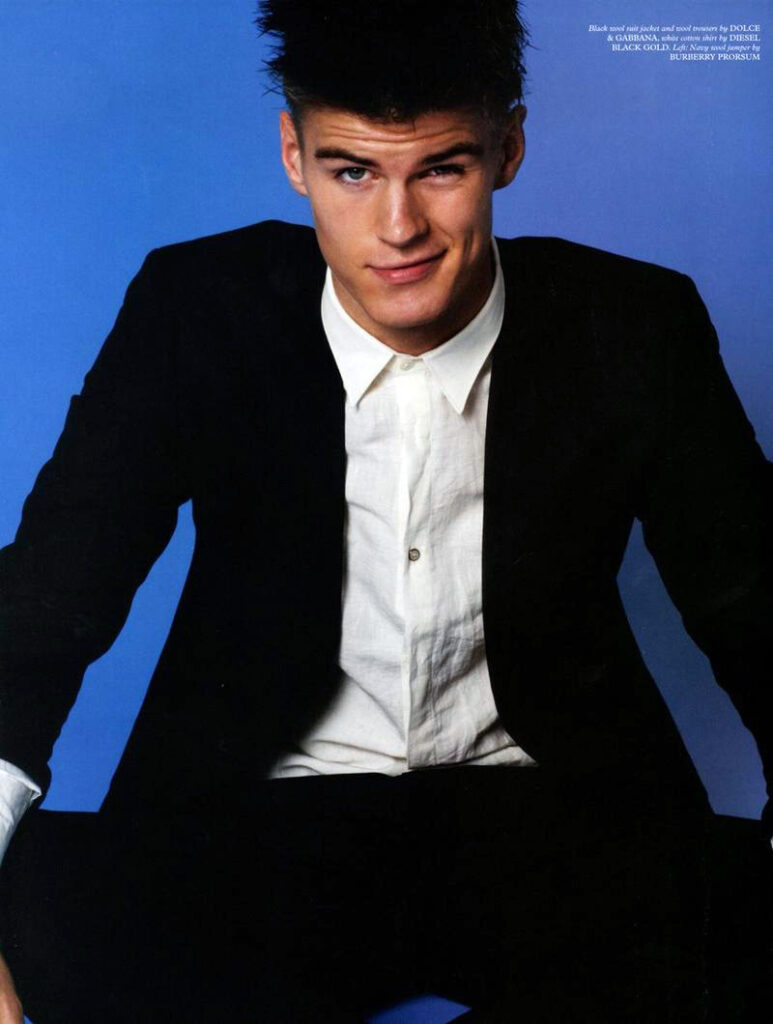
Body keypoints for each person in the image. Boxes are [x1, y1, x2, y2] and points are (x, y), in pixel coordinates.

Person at [0, 1, 770, 1021]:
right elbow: (53, 590)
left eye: (440, 168)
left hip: (552, 816)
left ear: (507, 150)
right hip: (257, 822)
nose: (397, 227)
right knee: (34, 909)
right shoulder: (196, 308)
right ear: (293, 154)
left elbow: (752, 604)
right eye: (352, 172)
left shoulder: (632, 324)